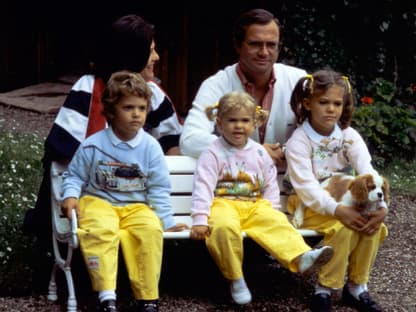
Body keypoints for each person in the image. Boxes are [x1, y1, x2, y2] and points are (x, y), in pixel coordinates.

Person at [24, 13, 182, 240]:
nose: (156, 57)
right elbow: (64, 156)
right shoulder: (88, 89)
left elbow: (172, 146)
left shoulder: (153, 94)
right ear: (131, 55)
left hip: (138, 201)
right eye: (150, 51)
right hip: (96, 198)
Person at [189, 91, 334, 305]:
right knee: (222, 228)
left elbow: (269, 183)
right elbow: (203, 186)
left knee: (276, 222)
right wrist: (200, 219)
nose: (239, 126)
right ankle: (236, 277)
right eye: (232, 120)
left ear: (254, 123)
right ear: (219, 123)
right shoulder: (213, 153)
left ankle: (301, 257)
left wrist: (273, 209)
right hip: (223, 203)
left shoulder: (259, 152)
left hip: (255, 204)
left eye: (245, 120)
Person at [61, 71, 187, 312]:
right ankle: (106, 294)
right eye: (128, 107)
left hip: (136, 205)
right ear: (111, 110)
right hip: (99, 201)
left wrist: (166, 221)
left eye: (141, 107)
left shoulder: (150, 147)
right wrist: (70, 195)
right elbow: (74, 175)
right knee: (100, 229)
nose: (136, 114)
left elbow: (159, 187)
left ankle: (148, 296)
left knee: (150, 230)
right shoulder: (93, 144)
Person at [284, 69, 388, 312]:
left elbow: (367, 171)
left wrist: (381, 207)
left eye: (337, 103)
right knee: (342, 227)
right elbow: (306, 186)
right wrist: (337, 210)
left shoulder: (349, 137)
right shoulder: (300, 140)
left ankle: (356, 287)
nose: (331, 109)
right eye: (323, 102)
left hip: (346, 200)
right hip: (306, 203)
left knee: (373, 226)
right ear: (308, 103)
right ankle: (324, 290)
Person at [179, 8, 306, 166]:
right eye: (255, 44)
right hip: (232, 186)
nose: (264, 52)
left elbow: (324, 135)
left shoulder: (298, 80)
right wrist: (251, 151)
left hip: (287, 184)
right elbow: (190, 140)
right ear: (237, 46)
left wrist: (289, 150)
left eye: (271, 45)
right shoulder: (217, 84)